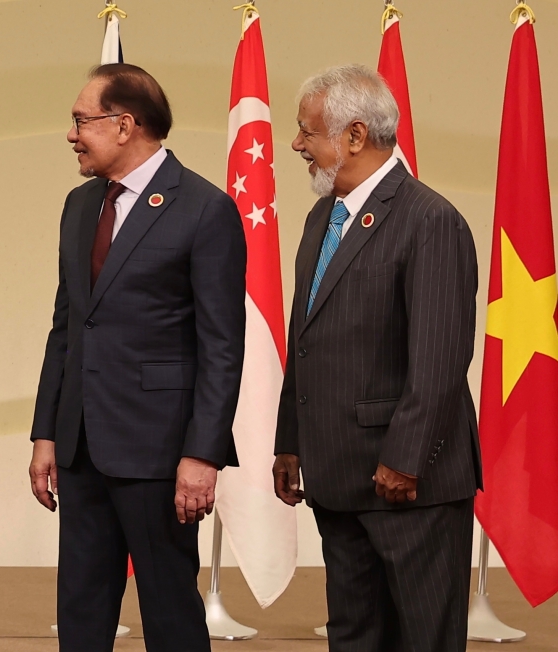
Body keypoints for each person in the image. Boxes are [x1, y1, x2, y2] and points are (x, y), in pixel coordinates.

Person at [29, 63, 246, 652]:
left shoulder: (205, 209)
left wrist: (202, 454)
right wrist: (46, 434)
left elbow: (223, 346)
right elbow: (66, 327)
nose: (72, 135)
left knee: (170, 612)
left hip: (159, 452)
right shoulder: (79, 207)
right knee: (80, 608)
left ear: (125, 125)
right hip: (79, 448)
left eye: (81, 121)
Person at [273, 64, 481, 652]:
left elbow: (440, 359)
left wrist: (406, 459)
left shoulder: (430, 219)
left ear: (355, 136)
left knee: (424, 638)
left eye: (307, 132)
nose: (296, 145)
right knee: (355, 636)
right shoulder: (322, 217)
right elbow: (307, 339)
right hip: (338, 477)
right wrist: (291, 441)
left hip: (408, 484)